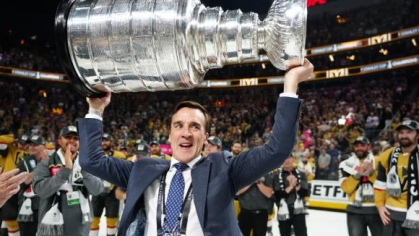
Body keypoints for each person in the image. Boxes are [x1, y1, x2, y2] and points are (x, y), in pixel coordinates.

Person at [77, 59, 313, 235]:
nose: (186, 132)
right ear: (170, 135)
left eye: (195, 127)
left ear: (205, 137)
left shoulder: (224, 167)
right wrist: (95, 110)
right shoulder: (143, 168)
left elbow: (278, 149)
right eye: (178, 126)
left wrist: (290, 84)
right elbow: (91, 161)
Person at [32, 126, 104, 236]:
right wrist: (65, 171)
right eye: (68, 137)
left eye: (75, 138)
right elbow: (41, 190)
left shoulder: (88, 164)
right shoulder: (46, 163)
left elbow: (97, 190)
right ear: (59, 141)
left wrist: (85, 171)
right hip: (51, 226)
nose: (72, 140)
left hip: (80, 226)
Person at [374, 119, 419, 236]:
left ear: (417, 135)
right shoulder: (388, 154)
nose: (404, 136)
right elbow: (380, 183)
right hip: (391, 215)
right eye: (401, 132)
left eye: (409, 132)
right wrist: (379, 206)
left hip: (416, 216)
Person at [338, 136, 383, 236]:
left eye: (362, 145)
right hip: (354, 210)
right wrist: (358, 175)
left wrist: (371, 173)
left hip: (376, 209)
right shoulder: (345, 164)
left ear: (368, 146)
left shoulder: (379, 161)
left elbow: (384, 185)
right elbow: (346, 188)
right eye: (357, 146)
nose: (359, 148)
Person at [90, 133, 126, 236]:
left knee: (112, 221)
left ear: (111, 142)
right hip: (97, 191)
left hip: (112, 192)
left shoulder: (119, 156)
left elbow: (123, 172)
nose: (104, 143)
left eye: (106, 140)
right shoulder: (94, 155)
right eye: (102, 140)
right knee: (93, 219)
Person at [236, 139, 274, 236]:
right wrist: (251, 180)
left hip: (261, 214)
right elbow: (237, 192)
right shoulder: (242, 172)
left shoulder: (268, 172)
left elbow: (269, 193)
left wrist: (258, 182)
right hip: (245, 213)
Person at [16, 135, 49, 236]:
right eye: (30, 144)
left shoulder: (53, 161)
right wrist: (42, 165)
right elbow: (23, 182)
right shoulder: (23, 162)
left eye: (35, 144)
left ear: (44, 146)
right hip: (28, 208)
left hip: (47, 205)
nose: (32, 147)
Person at [273, 154, 309, 236]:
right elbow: (278, 195)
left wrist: (295, 184)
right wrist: (291, 186)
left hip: (299, 212)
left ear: (293, 159)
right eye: (284, 158)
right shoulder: (276, 176)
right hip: (283, 211)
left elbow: (304, 192)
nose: (287, 160)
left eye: (289, 157)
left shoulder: (301, 174)